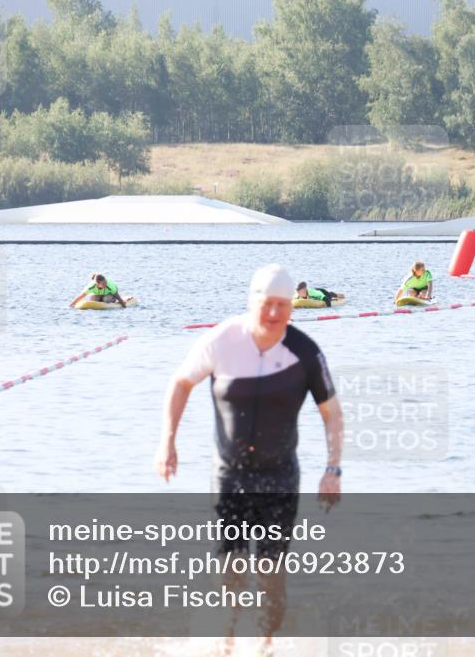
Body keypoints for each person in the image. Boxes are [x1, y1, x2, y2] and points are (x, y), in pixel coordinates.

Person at [156, 264, 344, 657]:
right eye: (267, 304)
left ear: (292, 306)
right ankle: (227, 636)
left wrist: (332, 468)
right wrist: (167, 443)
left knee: (271, 572)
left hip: (279, 477)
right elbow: (181, 383)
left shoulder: (305, 351)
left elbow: (331, 411)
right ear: (252, 301)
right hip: (229, 474)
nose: (274, 314)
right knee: (230, 563)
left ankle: (266, 643)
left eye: (283, 305)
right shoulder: (223, 340)